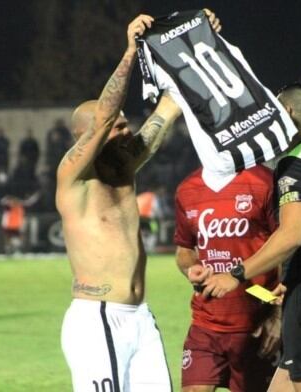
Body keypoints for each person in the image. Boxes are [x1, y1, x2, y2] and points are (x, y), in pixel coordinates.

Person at [57, 12, 221, 392]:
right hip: (98, 320)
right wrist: (130, 52)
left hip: (140, 317)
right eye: (118, 126)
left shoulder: (124, 165)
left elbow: (169, 105)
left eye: (125, 123)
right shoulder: (73, 177)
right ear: (85, 137)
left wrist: (201, 41)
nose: (126, 128)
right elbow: (103, 117)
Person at [201, 82, 301, 392]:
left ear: (287, 113)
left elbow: (292, 235)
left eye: (273, 111)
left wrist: (237, 274)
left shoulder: (295, 163)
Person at [174, 164, 281, 392]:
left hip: (256, 324)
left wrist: (277, 315)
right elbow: (184, 250)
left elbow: (285, 248)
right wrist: (191, 267)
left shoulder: (264, 181)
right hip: (206, 321)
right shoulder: (187, 189)